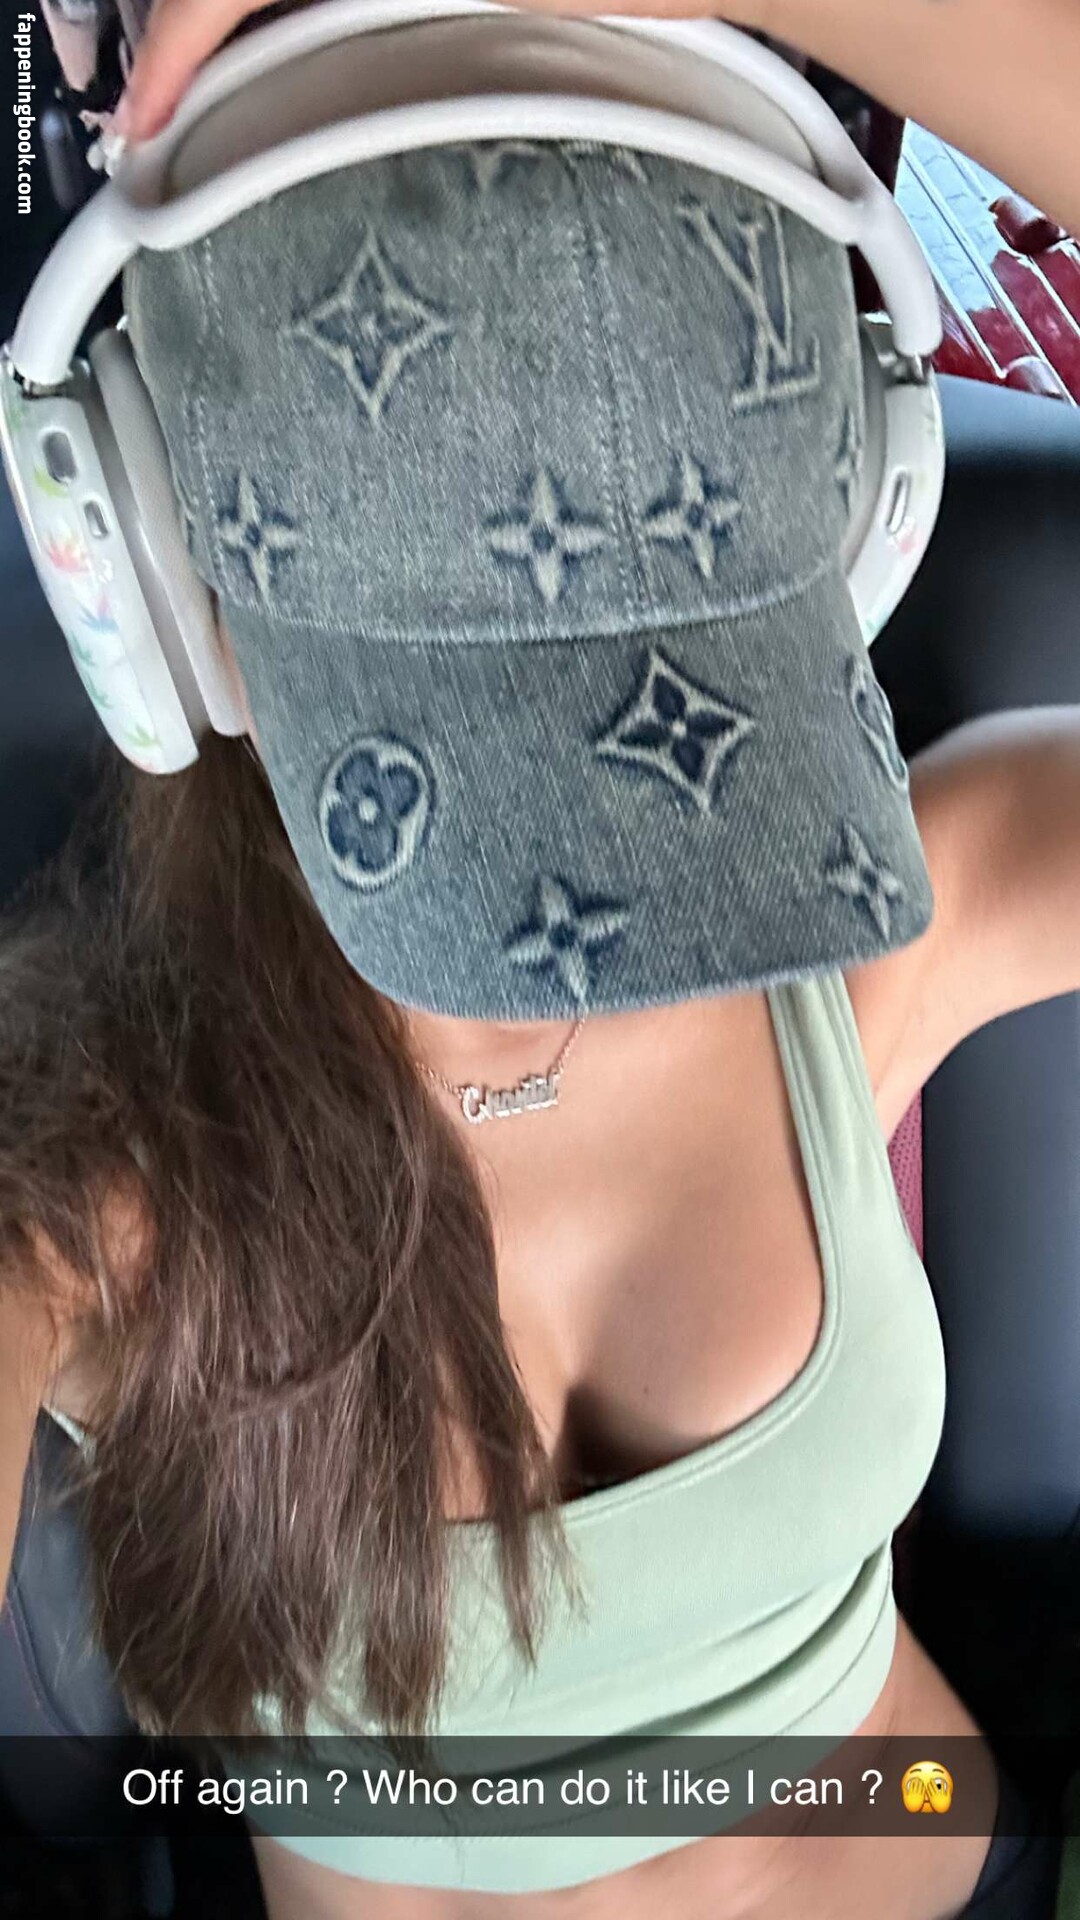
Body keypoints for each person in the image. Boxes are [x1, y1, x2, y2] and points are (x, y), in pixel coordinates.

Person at [0, 13, 1076, 1920]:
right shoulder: (85, 1200)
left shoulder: (871, 944)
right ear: (145, 577)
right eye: (474, 708)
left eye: (688, 680)